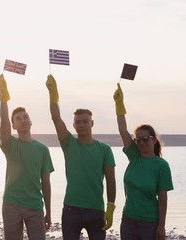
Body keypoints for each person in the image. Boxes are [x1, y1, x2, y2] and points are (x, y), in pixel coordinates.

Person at [45, 74, 116, 240]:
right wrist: (53, 94)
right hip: (71, 209)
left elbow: (111, 180)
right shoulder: (69, 143)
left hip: (96, 210)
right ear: (74, 125)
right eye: (78, 122)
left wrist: (110, 206)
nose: (82, 124)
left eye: (85, 121)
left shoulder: (104, 149)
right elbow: (56, 118)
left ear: (92, 123)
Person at [0, 74, 54, 240]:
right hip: (11, 204)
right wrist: (3, 99)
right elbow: (3, 123)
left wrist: (48, 212)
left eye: (25, 117)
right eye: (18, 119)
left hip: (35, 205)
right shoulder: (10, 144)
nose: (23, 120)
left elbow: (46, 183)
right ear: (14, 125)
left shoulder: (42, 149)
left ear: (30, 122)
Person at [113, 83, 174, 240]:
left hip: (149, 222)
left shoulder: (161, 165)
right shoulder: (134, 156)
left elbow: (163, 199)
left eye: (145, 139)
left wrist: (161, 226)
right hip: (128, 220)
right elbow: (122, 129)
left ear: (153, 140)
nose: (141, 143)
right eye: (138, 140)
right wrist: (119, 104)